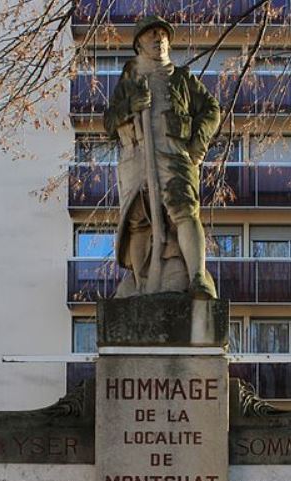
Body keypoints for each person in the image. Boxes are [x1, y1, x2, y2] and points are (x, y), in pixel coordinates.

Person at [103, 16, 221, 299]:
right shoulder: (128, 80)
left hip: (174, 153)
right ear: (139, 44)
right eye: (152, 35)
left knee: (184, 210)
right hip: (137, 157)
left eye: (163, 35)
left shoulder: (182, 77)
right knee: (138, 219)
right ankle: (142, 282)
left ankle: (196, 279)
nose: (159, 39)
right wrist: (130, 106)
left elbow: (211, 109)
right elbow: (108, 123)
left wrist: (197, 143)